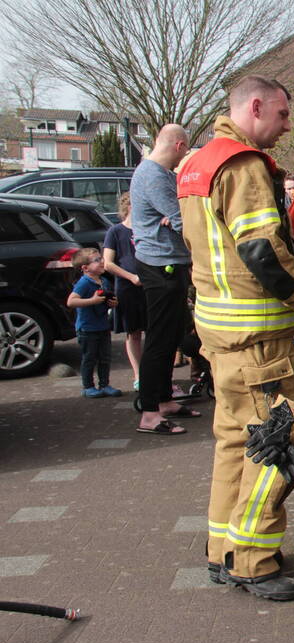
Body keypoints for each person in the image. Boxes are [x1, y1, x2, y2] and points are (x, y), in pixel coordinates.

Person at [178, 75, 294, 602]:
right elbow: (262, 253)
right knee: (280, 443)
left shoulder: (197, 164)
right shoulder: (243, 166)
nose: (287, 126)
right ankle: (253, 561)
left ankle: (222, 551)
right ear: (255, 107)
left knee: (234, 444)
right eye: (283, 115)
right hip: (259, 339)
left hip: (220, 334)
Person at [131, 123, 195, 435]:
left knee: (170, 337)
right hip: (161, 266)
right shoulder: (154, 176)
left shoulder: (161, 175)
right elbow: (185, 219)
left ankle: (164, 400)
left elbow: (179, 216)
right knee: (159, 339)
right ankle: (149, 413)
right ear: (180, 146)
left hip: (168, 263)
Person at [102, 192, 147, 391]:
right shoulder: (115, 231)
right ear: (129, 207)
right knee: (133, 332)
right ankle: (138, 375)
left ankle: (156, 373)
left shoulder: (146, 229)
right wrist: (131, 277)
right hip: (128, 288)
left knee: (154, 331)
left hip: (149, 287)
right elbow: (108, 263)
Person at [66, 248, 122, 398]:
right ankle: (88, 386)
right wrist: (92, 301)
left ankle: (104, 384)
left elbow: (108, 300)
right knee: (89, 358)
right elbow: (71, 301)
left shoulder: (103, 281)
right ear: (85, 268)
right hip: (87, 328)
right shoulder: (84, 283)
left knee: (105, 357)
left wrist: (113, 302)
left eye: (101, 258)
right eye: (97, 260)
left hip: (103, 326)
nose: (102, 262)